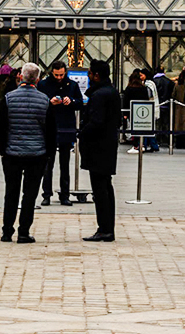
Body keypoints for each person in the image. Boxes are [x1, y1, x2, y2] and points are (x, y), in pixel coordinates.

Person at [0, 62, 54, 243]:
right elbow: (51, 131)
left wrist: (3, 150)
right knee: (30, 194)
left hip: (12, 153)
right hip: (36, 154)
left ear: (20, 76)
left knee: (11, 192)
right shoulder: (45, 100)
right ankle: (23, 232)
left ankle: (7, 231)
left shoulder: (8, 98)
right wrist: (48, 153)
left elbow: (1, 128)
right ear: (37, 79)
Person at [78, 59, 120, 242]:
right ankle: (107, 227)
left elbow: (96, 122)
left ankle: (104, 228)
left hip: (98, 147)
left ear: (96, 75)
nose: (88, 76)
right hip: (108, 145)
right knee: (106, 187)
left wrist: (82, 133)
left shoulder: (99, 95)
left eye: (90, 72)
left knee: (100, 189)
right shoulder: (112, 92)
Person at [37, 61, 82, 204]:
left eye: (61, 74)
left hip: (66, 126)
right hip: (49, 125)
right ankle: (46, 195)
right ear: (52, 72)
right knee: (47, 163)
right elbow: (38, 102)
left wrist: (72, 101)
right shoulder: (43, 85)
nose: (59, 77)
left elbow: (81, 102)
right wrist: (49, 102)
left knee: (65, 163)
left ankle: (65, 195)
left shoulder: (72, 85)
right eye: (56, 75)